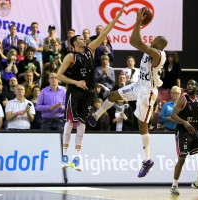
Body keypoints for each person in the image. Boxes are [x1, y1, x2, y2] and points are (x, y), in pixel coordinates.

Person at [87, 8, 168, 178]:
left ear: (159, 45)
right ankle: (96, 115)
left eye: (154, 41)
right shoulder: (150, 50)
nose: (151, 41)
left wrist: (138, 22)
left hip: (148, 92)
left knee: (142, 125)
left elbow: (136, 43)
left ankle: (147, 160)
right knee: (112, 95)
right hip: (139, 85)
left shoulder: (158, 54)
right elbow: (133, 41)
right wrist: (138, 24)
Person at [56, 5, 125, 171]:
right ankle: (64, 156)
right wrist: (76, 82)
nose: (83, 39)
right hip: (74, 90)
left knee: (82, 124)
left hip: (87, 91)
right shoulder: (71, 56)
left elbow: (104, 33)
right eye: (80, 39)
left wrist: (116, 18)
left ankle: (77, 159)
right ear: (74, 43)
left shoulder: (90, 50)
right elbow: (59, 75)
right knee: (69, 122)